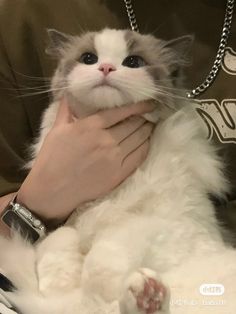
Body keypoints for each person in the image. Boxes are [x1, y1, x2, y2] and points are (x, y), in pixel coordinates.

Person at [0, 0, 235, 312]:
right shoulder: (24, 13)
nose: (106, 68)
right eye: (88, 58)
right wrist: (39, 198)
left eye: (133, 62)